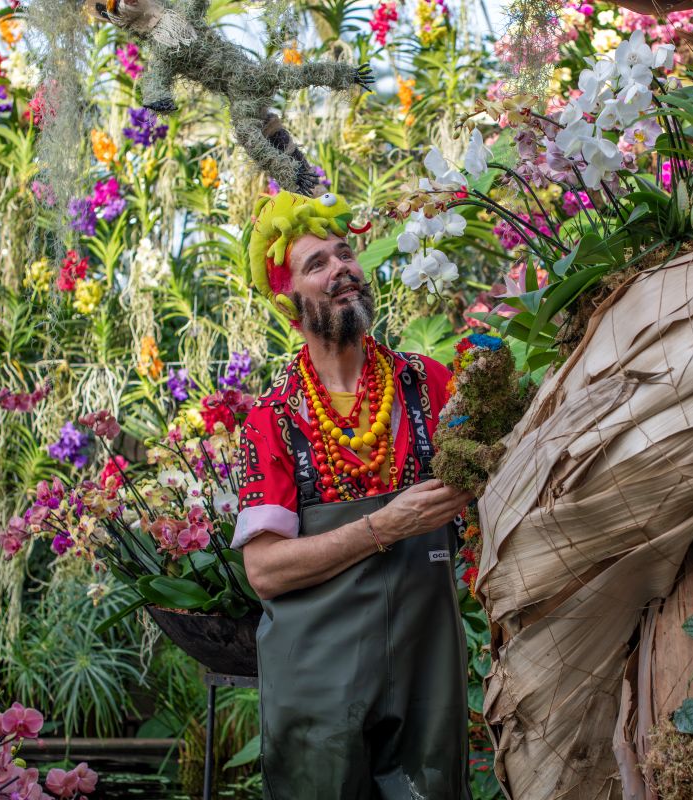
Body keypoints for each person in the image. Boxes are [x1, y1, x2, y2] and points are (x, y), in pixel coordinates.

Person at [233, 189, 474, 800]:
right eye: (316, 263)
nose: (341, 267)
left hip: (427, 667)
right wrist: (386, 526)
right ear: (290, 304)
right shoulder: (273, 417)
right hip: (319, 684)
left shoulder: (429, 384)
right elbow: (264, 570)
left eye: (345, 254)